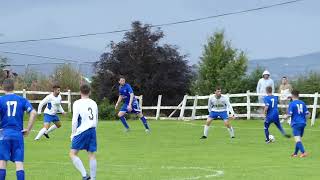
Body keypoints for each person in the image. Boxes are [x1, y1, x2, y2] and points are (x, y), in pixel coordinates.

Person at [0, 79, 37, 180]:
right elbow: (33, 113)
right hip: (18, 134)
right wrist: (28, 129)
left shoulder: (0, 100)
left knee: (2, 162)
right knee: (19, 163)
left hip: (4, 134)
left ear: (3, 88)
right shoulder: (21, 100)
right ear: (13, 87)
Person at [70, 84, 98, 180]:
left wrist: (73, 133)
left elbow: (74, 120)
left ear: (80, 92)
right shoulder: (94, 103)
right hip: (92, 130)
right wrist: (94, 130)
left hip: (82, 130)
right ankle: (93, 178)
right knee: (91, 154)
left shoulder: (77, 103)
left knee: (72, 153)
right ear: (89, 92)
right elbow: (96, 118)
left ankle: (85, 175)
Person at [285, 90, 309, 158]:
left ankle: (303, 152)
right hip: (303, 123)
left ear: (292, 95)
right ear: (298, 95)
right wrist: (304, 120)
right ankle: (295, 153)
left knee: (297, 139)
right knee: (298, 139)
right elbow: (307, 114)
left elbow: (289, 114)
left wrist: (284, 118)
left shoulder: (292, 104)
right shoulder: (302, 103)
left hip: (296, 123)